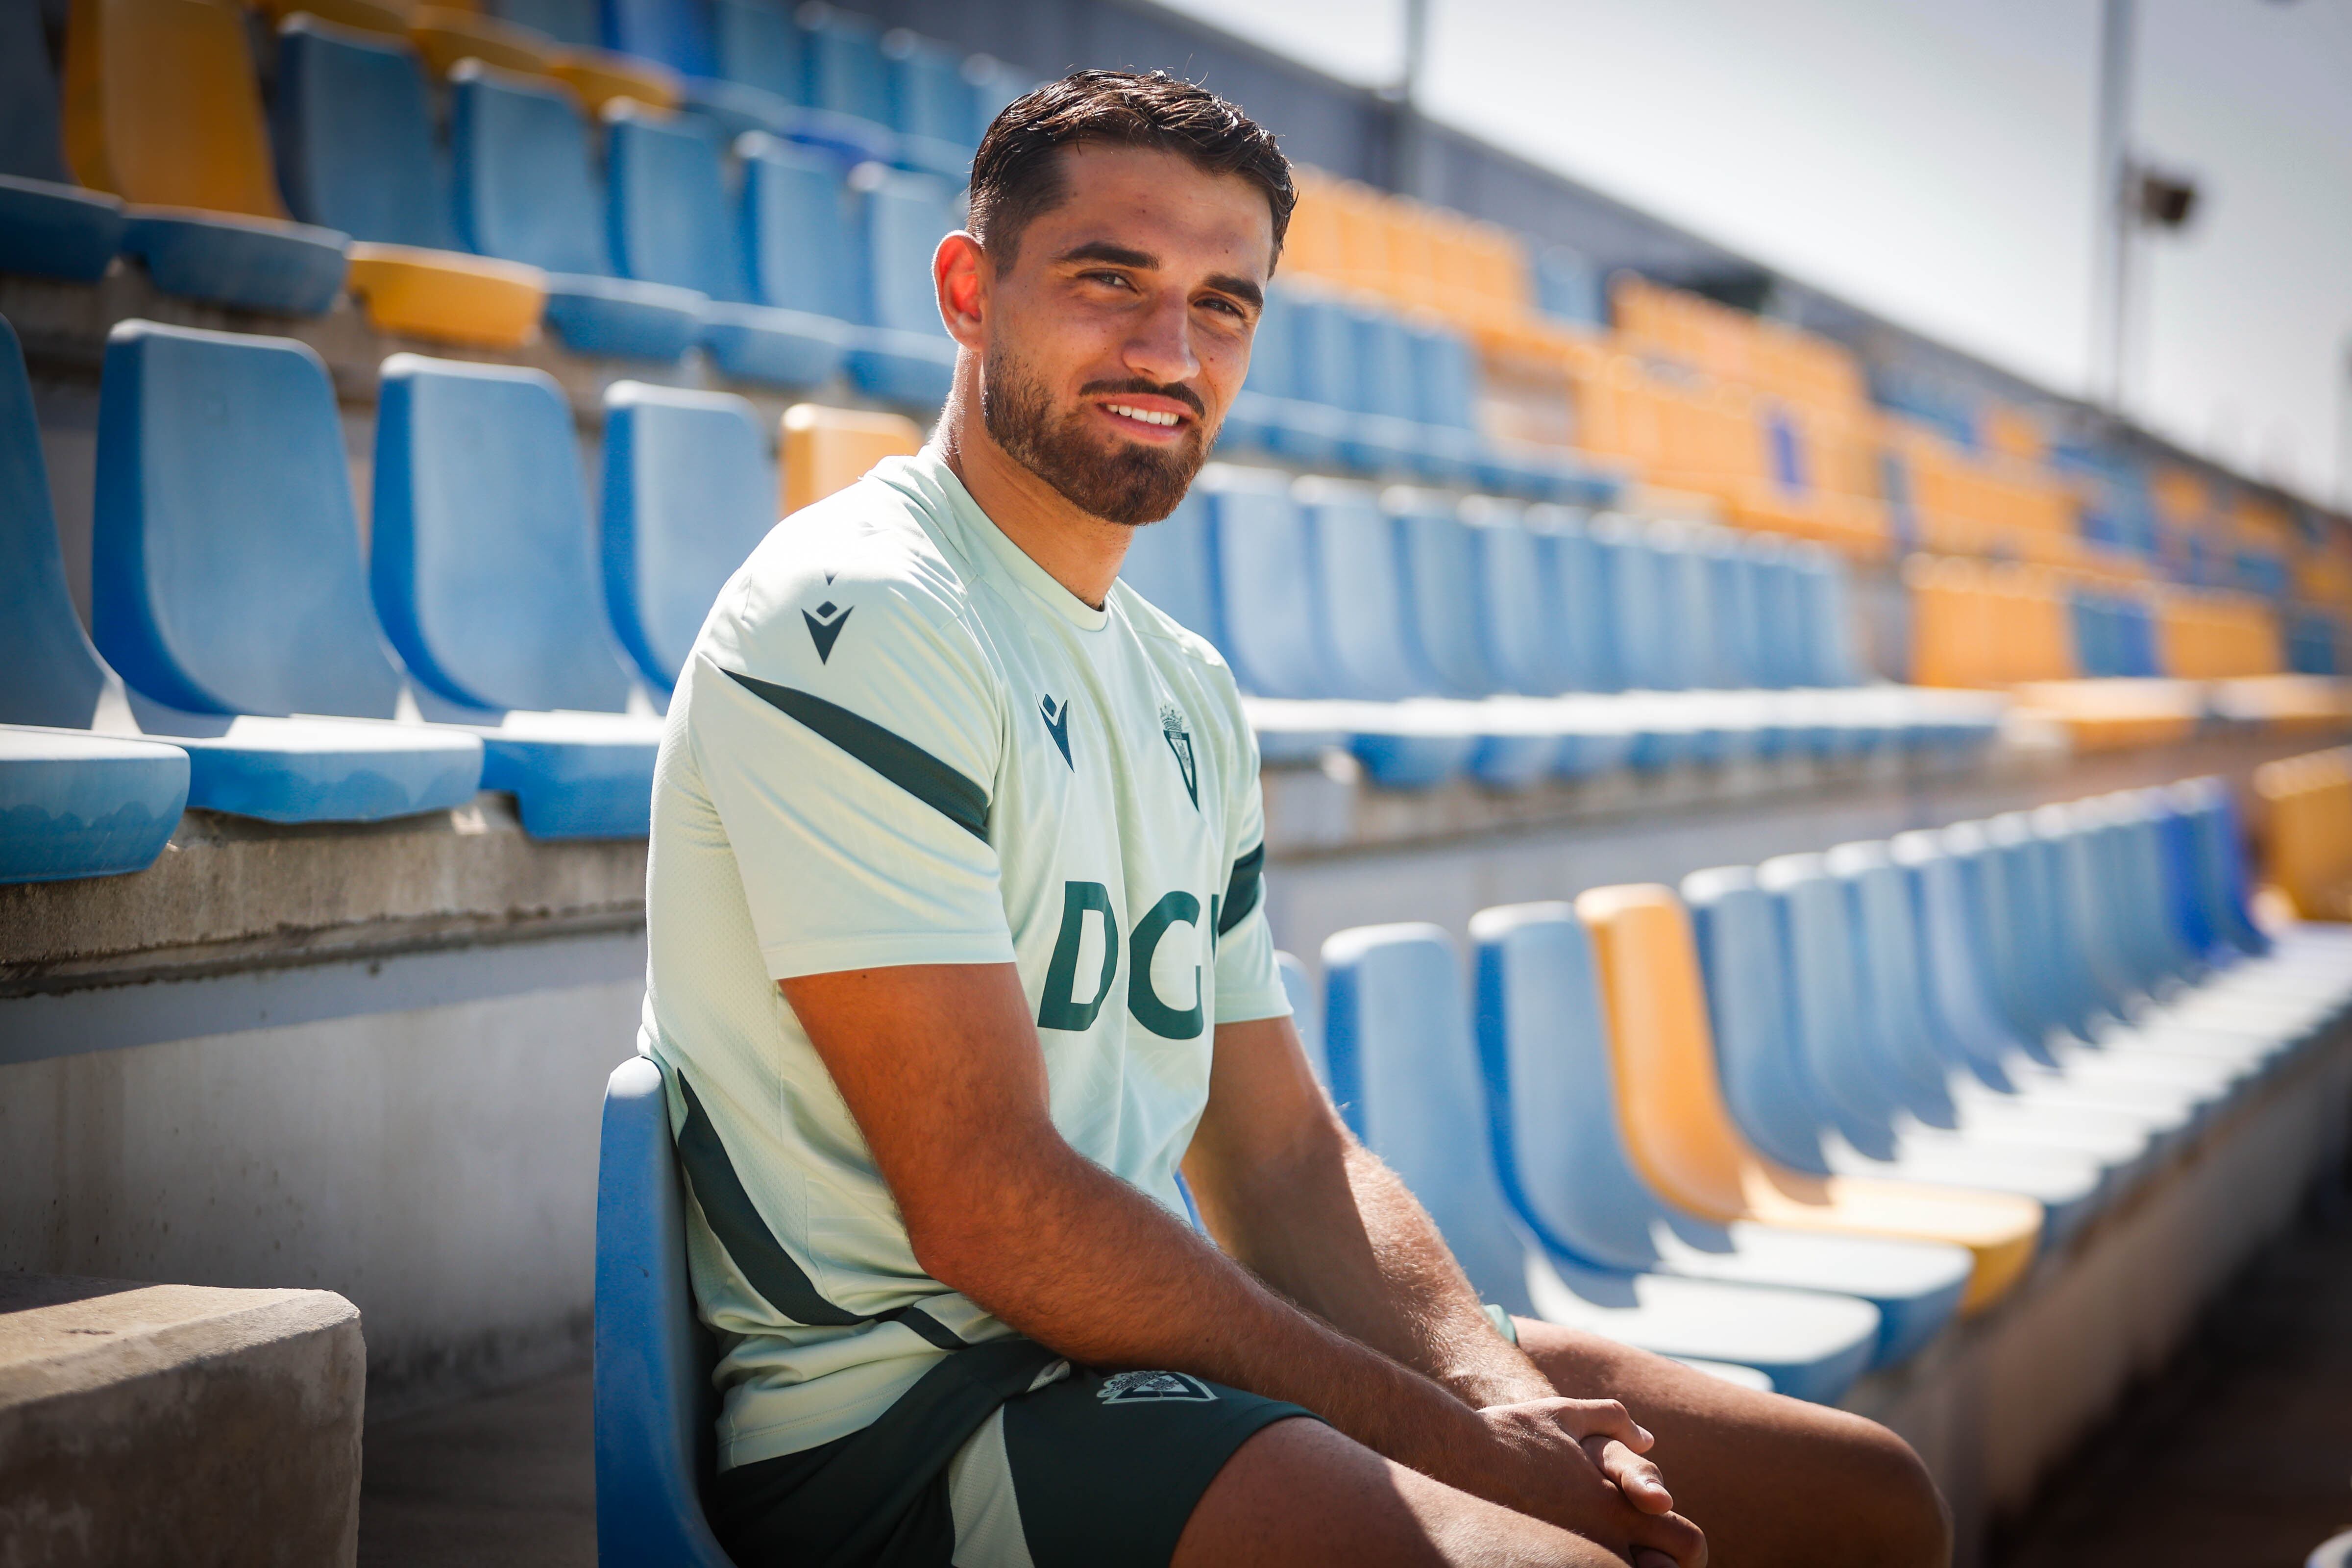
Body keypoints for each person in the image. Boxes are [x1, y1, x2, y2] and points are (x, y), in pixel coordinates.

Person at [640, 67, 1949, 1568]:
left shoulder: (1184, 687)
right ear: (968, 290)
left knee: (1865, 1511)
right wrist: (1468, 1454)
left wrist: (1494, 1388)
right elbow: (992, 1210)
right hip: (908, 1424)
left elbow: (1276, 1158)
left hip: (1136, 1363)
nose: (1168, 347)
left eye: (1225, 304)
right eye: (1110, 278)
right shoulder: (862, 609)